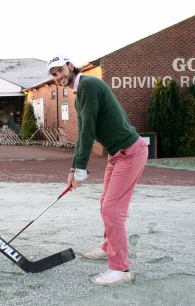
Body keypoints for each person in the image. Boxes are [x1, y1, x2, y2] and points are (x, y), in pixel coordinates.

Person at [47, 55, 148, 285]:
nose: (58, 76)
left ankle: (120, 269)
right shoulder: (80, 91)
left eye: (60, 70)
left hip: (130, 153)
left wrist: (81, 168)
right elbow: (83, 129)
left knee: (112, 210)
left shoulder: (89, 85)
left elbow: (87, 130)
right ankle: (108, 247)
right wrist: (74, 168)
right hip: (117, 154)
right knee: (105, 204)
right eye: (53, 74)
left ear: (70, 66)